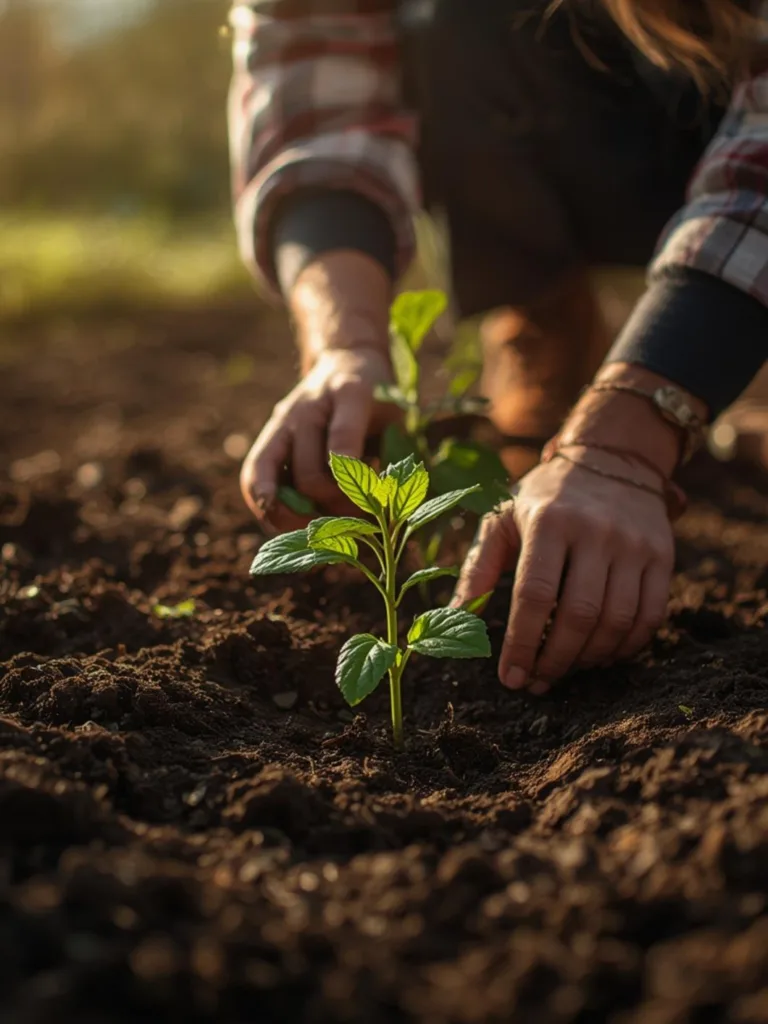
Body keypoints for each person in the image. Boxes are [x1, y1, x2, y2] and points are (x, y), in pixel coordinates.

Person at [228, 0, 767, 695]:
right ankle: (547, 318)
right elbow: (316, 83)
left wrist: (622, 446)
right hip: (600, 103)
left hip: (726, 94)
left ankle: (692, 369)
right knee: (455, 19)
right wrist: (346, 345)